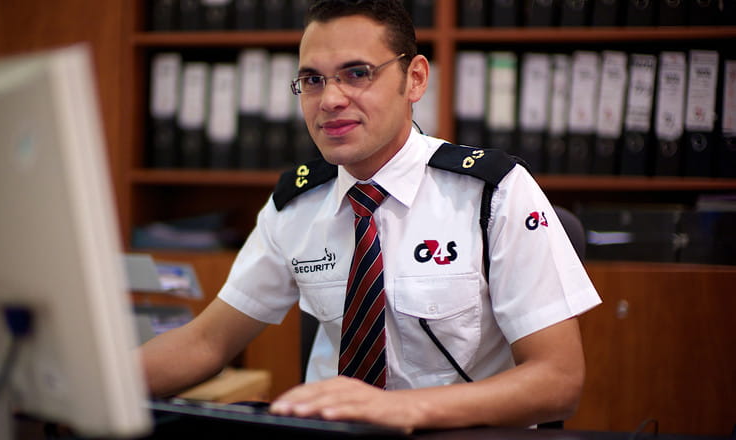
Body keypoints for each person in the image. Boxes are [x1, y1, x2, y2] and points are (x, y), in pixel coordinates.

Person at [140, 0, 601, 432]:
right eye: (313, 80)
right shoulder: (296, 204)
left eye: (356, 74)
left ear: (415, 79)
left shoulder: (492, 192)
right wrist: (91, 385)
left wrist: (399, 409)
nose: (330, 100)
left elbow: (558, 380)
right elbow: (207, 343)